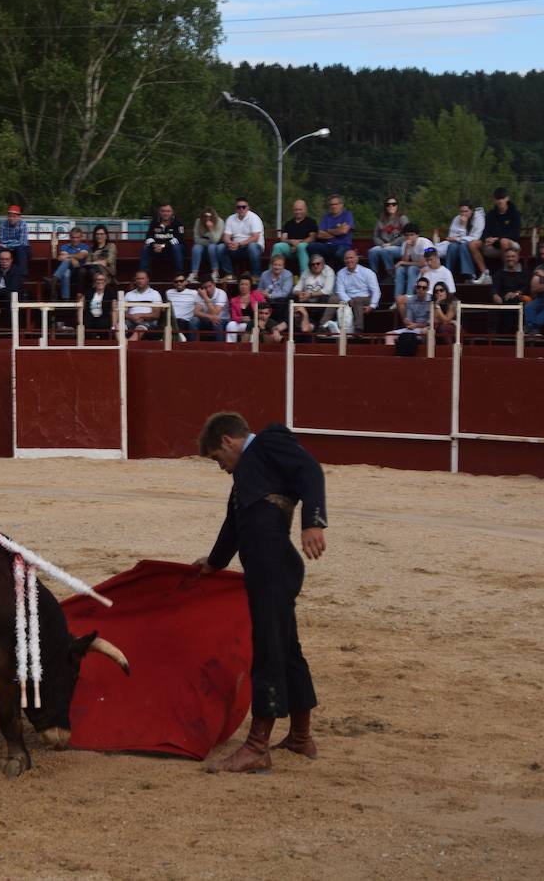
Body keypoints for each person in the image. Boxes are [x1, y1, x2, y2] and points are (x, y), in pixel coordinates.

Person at [193, 411, 325, 773]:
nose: (221, 467)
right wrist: (215, 563)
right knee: (286, 648)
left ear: (228, 441)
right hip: (267, 568)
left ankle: (257, 747)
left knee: (268, 649)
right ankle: (301, 736)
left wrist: (314, 522)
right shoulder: (248, 473)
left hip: (273, 566)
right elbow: (236, 524)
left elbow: (311, 472)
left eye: (219, 459)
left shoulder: (269, 443)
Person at [471, 187, 521, 274]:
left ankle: (507, 272)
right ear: (494, 200)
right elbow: (485, 231)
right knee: (473, 244)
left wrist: (498, 239)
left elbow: (515, 234)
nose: (500, 201)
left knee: (503, 241)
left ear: (507, 198)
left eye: (502, 198)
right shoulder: (490, 214)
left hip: (511, 245)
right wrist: (486, 239)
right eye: (498, 199)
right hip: (493, 245)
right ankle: (485, 273)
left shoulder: (515, 213)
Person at [331, 249, 378, 335]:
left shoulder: (368, 272)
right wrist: (348, 300)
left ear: (357, 259)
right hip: (348, 299)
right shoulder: (341, 273)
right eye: (347, 258)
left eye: (351, 258)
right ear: (344, 260)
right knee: (333, 299)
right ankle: (323, 326)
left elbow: (376, 291)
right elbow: (340, 291)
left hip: (365, 298)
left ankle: (358, 329)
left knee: (357, 300)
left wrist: (372, 305)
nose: (349, 260)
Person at [293, 253, 339, 334]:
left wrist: (310, 294)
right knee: (294, 298)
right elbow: (295, 289)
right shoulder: (306, 272)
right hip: (307, 301)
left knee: (325, 297)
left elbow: (327, 290)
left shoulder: (329, 271)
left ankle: (322, 327)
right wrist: (300, 293)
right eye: (313, 264)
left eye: (318, 263)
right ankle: (296, 326)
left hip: (322, 302)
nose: (315, 266)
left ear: (323, 264)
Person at [488, 245, 529, 334]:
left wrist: (516, 293)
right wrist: (495, 295)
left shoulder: (524, 272)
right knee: (493, 308)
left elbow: (526, 286)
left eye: (513, 256)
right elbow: (494, 287)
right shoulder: (499, 273)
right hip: (503, 300)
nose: (510, 259)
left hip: (519, 299)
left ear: (517, 258)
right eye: (508, 257)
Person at [219, 198, 264, 278]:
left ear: (248, 208)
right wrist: (229, 243)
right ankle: (229, 274)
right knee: (220, 247)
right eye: (238, 207)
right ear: (235, 208)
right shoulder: (231, 218)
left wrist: (239, 244)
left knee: (252, 247)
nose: (241, 209)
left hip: (253, 247)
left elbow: (255, 237)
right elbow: (226, 236)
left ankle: (256, 275)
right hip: (236, 247)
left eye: (243, 207)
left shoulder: (254, 218)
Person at [306, 194, 353, 269]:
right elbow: (320, 234)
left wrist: (328, 230)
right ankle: (319, 271)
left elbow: (344, 231)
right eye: (331, 204)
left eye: (335, 204)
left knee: (338, 254)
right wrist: (337, 231)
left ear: (341, 205)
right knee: (311, 247)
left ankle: (339, 276)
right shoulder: (326, 217)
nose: (333, 206)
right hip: (328, 245)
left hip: (343, 245)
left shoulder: (347, 215)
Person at [367, 197, 409, 281]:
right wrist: (382, 244)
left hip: (399, 247)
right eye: (388, 205)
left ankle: (391, 275)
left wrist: (391, 244)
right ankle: (373, 276)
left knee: (386, 251)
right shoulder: (381, 220)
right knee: (372, 251)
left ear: (397, 206)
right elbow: (375, 236)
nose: (391, 206)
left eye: (394, 204)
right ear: (385, 207)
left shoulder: (402, 218)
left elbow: (406, 235)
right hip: (383, 245)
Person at [441, 201, 484, 282]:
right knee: (452, 247)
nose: (464, 214)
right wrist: (462, 226)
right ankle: (447, 273)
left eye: (466, 211)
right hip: (458, 242)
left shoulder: (479, 218)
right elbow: (452, 235)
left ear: (471, 211)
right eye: (461, 211)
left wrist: (461, 233)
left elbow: (475, 237)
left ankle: (469, 274)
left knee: (463, 246)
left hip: (476, 242)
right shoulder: (457, 219)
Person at [271, 199, 316, 276]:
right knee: (277, 246)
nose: (298, 212)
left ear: (305, 209)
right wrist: (291, 242)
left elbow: (312, 237)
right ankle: (271, 274)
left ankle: (305, 276)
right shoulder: (289, 223)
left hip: (304, 249)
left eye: (300, 209)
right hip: (290, 249)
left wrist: (298, 245)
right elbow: (283, 238)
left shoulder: (311, 222)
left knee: (301, 246)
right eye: (296, 210)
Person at [140, 203, 185, 276]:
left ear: (172, 212)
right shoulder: (154, 222)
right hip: (157, 249)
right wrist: (153, 245)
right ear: (159, 212)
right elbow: (148, 237)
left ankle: (179, 275)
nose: (165, 213)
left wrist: (163, 246)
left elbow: (179, 238)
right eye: (163, 211)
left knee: (177, 247)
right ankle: (143, 274)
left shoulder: (178, 222)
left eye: (168, 211)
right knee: (145, 248)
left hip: (171, 249)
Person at [0, 205, 31, 284]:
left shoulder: (23, 224)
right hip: (7, 248)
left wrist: (7, 245)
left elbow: (22, 242)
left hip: (20, 248)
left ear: (19, 217)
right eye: (10, 216)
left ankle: (22, 276)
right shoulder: (3, 224)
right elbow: (1, 240)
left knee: (21, 249)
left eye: (14, 216)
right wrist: (9, 244)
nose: (11, 218)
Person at [52, 225, 91, 301]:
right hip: (67, 272)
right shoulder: (65, 246)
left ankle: (54, 280)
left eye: (77, 237)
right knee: (66, 272)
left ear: (81, 238)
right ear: (70, 237)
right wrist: (73, 258)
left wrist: (69, 257)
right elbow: (61, 258)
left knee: (67, 260)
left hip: (79, 273)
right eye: (73, 237)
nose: (75, 239)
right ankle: (65, 300)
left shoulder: (85, 246)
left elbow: (81, 255)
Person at [78, 269, 117, 339]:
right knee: (86, 324)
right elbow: (81, 308)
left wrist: (114, 325)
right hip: (90, 318)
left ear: (106, 282)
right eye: (98, 280)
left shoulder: (110, 292)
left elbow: (114, 310)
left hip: (104, 318)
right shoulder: (89, 292)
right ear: (94, 282)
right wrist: (80, 323)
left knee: (104, 324)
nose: (100, 282)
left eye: (102, 280)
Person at [226, 274, 266, 343]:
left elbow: (265, 307)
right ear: (238, 286)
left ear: (250, 286)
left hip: (255, 323)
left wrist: (260, 319)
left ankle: (249, 349)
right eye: (242, 284)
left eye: (246, 284)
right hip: (241, 323)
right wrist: (242, 318)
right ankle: (231, 347)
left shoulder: (256, 295)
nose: (243, 286)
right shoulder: (234, 300)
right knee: (231, 325)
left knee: (251, 327)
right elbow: (234, 317)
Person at [124, 270, 163, 340]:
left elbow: (156, 315)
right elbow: (123, 312)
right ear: (135, 280)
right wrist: (132, 317)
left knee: (139, 329)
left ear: (147, 280)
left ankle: (125, 347)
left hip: (148, 321)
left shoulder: (155, 294)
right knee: (118, 327)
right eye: (138, 279)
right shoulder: (129, 294)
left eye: (142, 278)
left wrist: (140, 315)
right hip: (130, 320)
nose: (140, 281)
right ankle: (121, 346)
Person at [190, 207, 225, 282]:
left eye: (210, 216)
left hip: (214, 247)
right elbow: (196, 239)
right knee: (196, 248)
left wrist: (211, 229)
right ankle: (194, 273)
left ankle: (215, 272)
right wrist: (207, 242)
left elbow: (215, 240)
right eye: (206, 216)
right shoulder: (198, 221)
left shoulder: (220, 222)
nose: (208, 218)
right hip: (201, 245)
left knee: (211, 247)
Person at [258, 253, 294, 325]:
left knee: (281, 300)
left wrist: (270, 295)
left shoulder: (288, 275)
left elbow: (285, 293)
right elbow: (259, 289)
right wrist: (263, 293)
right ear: (271, 265)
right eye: (275, 264)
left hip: (282, 301)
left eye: (279, 265)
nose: (277, 267)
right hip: (266, 299)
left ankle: (278, 324)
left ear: (283, 266)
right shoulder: (264, 274)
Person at [165, 273, 200, 338]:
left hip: (186, 321)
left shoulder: (194, 293)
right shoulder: (169, 292)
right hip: (173, 321)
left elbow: (198, 307)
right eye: (176, 281)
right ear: (173, 283)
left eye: (181, 281)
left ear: (186, 282)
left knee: (194, 321)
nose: (179, 283)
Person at [84, 224, 118, 291]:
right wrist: (97, 263)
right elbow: (87, 263)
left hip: (107, 272)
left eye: (101, 234)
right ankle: (80, 295)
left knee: (91, 270)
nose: (99, 236)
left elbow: (108, 261)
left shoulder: (111, 246)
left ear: (106, 235)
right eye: (97, 234)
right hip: (92, 271)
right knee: (82, 271)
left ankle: (95, 291)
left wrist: (93, 263)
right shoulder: (91, 248)